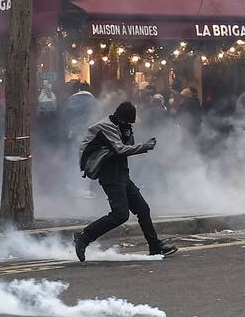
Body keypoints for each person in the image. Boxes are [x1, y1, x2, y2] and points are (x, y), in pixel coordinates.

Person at [73, 102, 177, 260]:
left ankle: (155, 247)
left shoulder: (122, 126)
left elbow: (128, 145)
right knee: (120, 215)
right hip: (109, 175)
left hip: (121, 174)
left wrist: (128, 132)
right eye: (127, 122)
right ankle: (84, 237)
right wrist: (145, 147)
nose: (128, 125)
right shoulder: (105, 126)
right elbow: (120, 149)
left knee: (143, 209)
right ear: (121, 118)